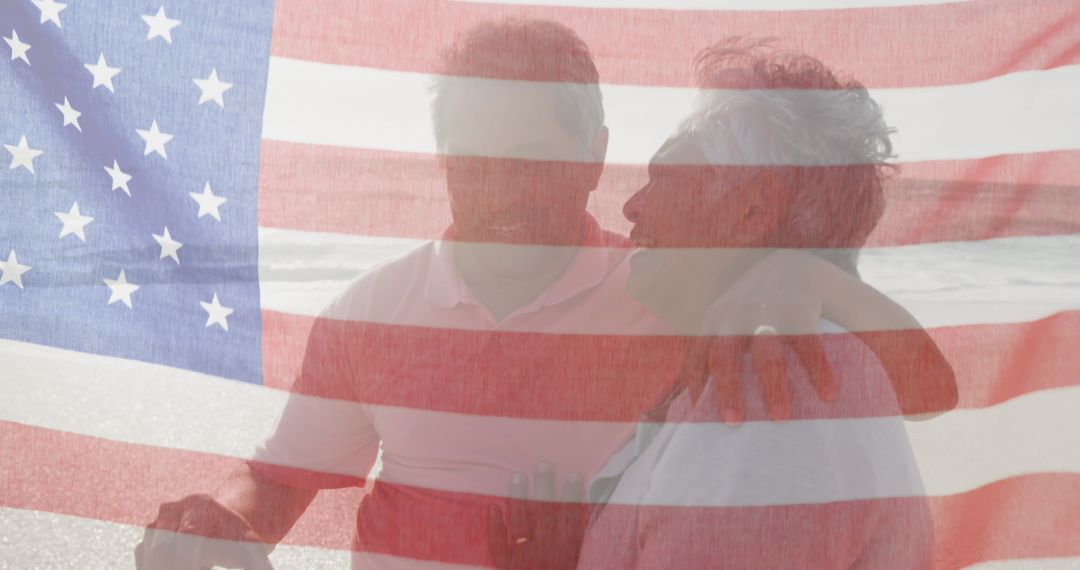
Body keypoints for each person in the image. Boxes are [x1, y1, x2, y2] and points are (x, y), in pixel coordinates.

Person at [135, 22, 953, 570]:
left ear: (594, 156)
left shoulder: (681, 304)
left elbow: (912, 390)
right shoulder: (371, 308)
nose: (496, 192)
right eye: (470, 162)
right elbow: (282, 480)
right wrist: (218, 523)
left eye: (527, 161)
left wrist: (804, 277)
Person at [575, 38, 934, 569]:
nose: (632, 206)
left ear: (753, 208)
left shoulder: (770, 392)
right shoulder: (793, 360)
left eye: (666, 177)